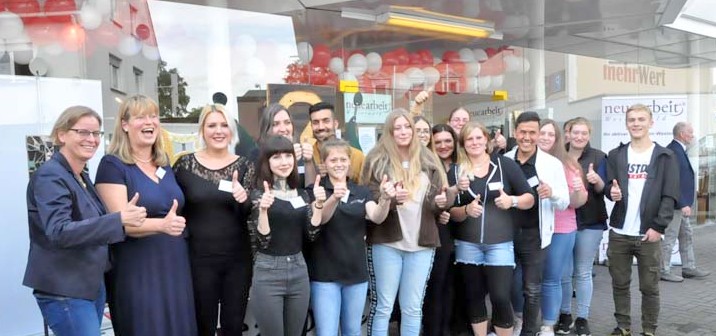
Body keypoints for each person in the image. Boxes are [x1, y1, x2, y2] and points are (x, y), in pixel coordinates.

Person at [23, 106, 145, 336]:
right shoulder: (51, 176)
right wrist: (118, 219)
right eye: (83, 132)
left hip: (89, 285)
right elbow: (59, 231)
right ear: (61, 135)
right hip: (65, 289)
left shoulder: (80, 175)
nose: (92, 139)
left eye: (96, 133)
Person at [95, 95, 197, 335]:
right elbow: (120, 223)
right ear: (125, 125)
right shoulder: (112, 165)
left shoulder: (164, 163)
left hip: (175, 263)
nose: (149, 122)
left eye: (153, 116)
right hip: (138, 267)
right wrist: (162, 225)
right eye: (141, 117)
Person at [361, 109, 452, 336]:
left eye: (407, 127)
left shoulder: (428, 158)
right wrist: (388, 199)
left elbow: (441, 196)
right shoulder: (375, 158)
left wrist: (443, 201)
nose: (403, 132)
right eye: (397, 128)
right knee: (383, 307)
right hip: (386, 242)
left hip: (421, 244)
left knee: (412, 308)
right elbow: (366, 197)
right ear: (389, 132)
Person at [173, 104, 254, 336]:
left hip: (237, 260)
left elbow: (250, 214)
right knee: (202, 325)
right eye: (212, 125)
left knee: (233, 326)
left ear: (232, 131)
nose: (218, 131)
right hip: (198, 259)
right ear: (202, 130)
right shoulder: (184, 165)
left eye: (224, 125)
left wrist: (243, 198)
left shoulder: (245, 165)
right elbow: (172, 205)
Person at [449, 121, 535, 336]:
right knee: (474, 296)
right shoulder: (457, 171)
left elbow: (529, 198)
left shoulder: (505, 164)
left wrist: (512, 201)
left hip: (500, 244)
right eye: (469, 139)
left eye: (479, 137)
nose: (475, 142)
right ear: (463, 144)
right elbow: (451, 213)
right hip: (468, 245)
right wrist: (467, 209)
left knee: (499, 297)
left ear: (486, 140)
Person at [604, 104, 679, 336]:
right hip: (620, 232)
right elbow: (609, 188)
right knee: (619, 284)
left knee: (649, 287)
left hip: (649, 233)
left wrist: (658, 226)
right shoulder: (616, 155)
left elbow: (670, 195)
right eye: (632, 119)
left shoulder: (665, 156)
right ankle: (623, 326)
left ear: (651, 123)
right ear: (626, 123)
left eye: (641, 119)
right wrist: (611, 192)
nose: (636, 123)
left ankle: (649, 329)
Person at [307, 139, 394, 336]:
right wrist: (333, 198)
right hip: (324, 275)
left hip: (356, 274)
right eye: (333, 160)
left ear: (350, 161)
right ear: (324, 164)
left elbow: (377, 217)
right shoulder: (317, 190)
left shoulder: (361, 191)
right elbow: (319, 219)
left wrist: (385, 199)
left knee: (352, 331)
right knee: (326, 332)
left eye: (343, 159)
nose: (339, 164)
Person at [248, 135, 326, 336]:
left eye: (288, 156)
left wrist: (318, 205)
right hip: (268, 271)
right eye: (276, 157)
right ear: (267, 162)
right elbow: (262, 240)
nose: (284, 162)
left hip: (299, 270)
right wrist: (264, 210)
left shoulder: (301, 195)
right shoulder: (259, 195)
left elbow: (312, 233)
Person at [504, 111, 569, 336]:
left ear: (538, 133)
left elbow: (565, 201)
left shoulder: (551, 164)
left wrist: (551, 194)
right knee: (505, 286)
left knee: (532, 288)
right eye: (523, 132)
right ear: (515, 132)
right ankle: (510, 323)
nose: (527, 137)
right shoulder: (504, 160)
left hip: (535, 234)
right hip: (505, 233)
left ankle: (529, 332)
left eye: (533, 132)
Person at [557, 117, 609, 336]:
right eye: (574, 132)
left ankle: (582, 318)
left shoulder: (599, 156)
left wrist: (596, 179)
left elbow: (606, 191)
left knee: (583, 271)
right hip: (562, 221)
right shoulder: (557, 156)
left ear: (589, 134)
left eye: (583, 133)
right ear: (567, 133)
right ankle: (565, 314)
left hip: (591, 222)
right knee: (564, 273)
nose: (579, 137)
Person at [536, 119, 588, 336]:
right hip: (534, 228)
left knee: (553, 277)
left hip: (561, 228)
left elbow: (579, 200)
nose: (546, 138)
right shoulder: (524, 160)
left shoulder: (568, 165)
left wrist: (576, 191)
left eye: (551, 134)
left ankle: (549, 323)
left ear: (557, 139)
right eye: (542, 133)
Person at [660, 122, 711, 282]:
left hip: (681, 205)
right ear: (682, 134)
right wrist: (682, 203)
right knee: (670, 236)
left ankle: (688, 268)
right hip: (676, 205)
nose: (693, 135)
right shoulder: (673, 151)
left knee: (686, 235)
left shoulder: (679, 150)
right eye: (690, 132)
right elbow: (672, 181)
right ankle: (663, 270)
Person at [422, 123, 458, 336]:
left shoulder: (461, 165)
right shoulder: (428, 165)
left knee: (448, 286)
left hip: (458, 232)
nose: (443, 146)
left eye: (448, 141)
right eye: (438, 142)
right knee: (435, 286)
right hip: (436, 231)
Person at [254, 103, 317, 187]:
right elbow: (260, 186)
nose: (283, 129)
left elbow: (311, 189)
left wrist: (308, 162)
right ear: (266, 128)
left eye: (287, 122)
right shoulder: (256, 153)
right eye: (275, 124)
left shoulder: (301, 150)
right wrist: (290, 159)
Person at [307, 102, 364, 182]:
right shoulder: (308, 156)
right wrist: (313, 173)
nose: (321, 127)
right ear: (311, 126)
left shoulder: (357, 156)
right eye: (315, 122)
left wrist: (345, 173)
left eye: (326, 121)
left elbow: (366, 190)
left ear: (335, 124)